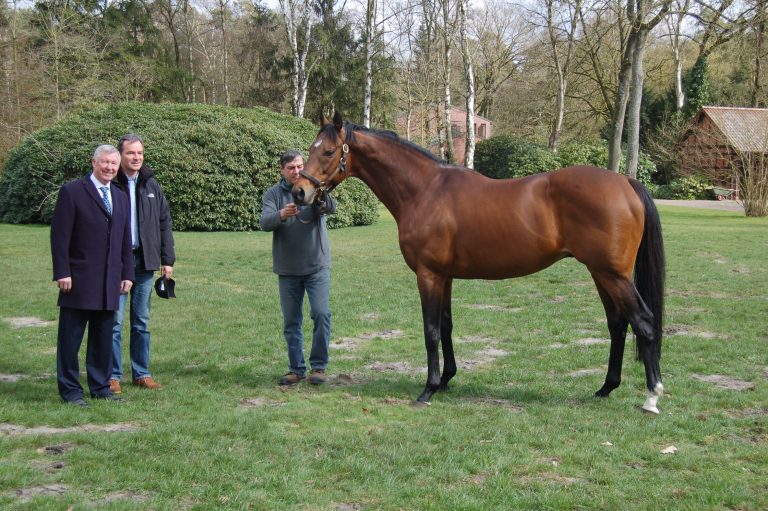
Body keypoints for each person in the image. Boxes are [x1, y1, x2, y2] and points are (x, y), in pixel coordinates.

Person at [51, 145, 134, 407]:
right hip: (78, 280)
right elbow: (59, 236)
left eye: (113, 163)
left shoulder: (120, 196)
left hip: (110, 281)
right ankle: (70, 392)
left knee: (102, 339)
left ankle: (100, 388)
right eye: (105, 162)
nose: (109, 167)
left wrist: (127, 273)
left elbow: (124, 239)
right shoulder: (72, 192)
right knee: (70, 340)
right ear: (94, 162)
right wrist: (63, 271)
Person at [261, 150, 337, 386]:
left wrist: (322, 199)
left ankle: (319, 367)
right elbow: (264, 222)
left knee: (321, 314)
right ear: (282, 170)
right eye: (291, 168)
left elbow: (332, 207)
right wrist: (281, 214)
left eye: (299, 166)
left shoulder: (313, 186)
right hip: (288, 270)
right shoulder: (273, 194)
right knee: (291, 322)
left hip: (316, 266)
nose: (296, 171)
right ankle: (296, 369)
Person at [109, 134, 175, 394]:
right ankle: (112, 376)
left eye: (139, 153)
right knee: (114, 322)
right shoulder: (111, 183)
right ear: (120, 155)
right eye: (130, 153)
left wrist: (167, 259)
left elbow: (164, 222)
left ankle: (141, 374)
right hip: (117, 263)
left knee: (141, 322)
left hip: (145, 262)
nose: (136, 157)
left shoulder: (151, 184)